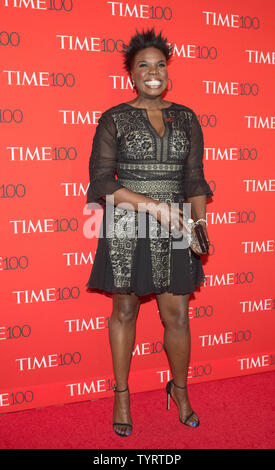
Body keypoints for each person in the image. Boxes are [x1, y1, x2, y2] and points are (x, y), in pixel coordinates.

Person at [86, 29, 213, 437]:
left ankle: (179, 390)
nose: (153, 72)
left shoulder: (188, 117)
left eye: (160, 64)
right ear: (132, 75)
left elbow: (194, 180)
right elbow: (103, 182)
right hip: (127, 223)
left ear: (168, 73)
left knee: (176, 315)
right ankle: (122, 396)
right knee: (124, 312)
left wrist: (198, 225)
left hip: (177, 226)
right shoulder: (114, 118)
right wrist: (156, 207)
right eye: (144, 65)